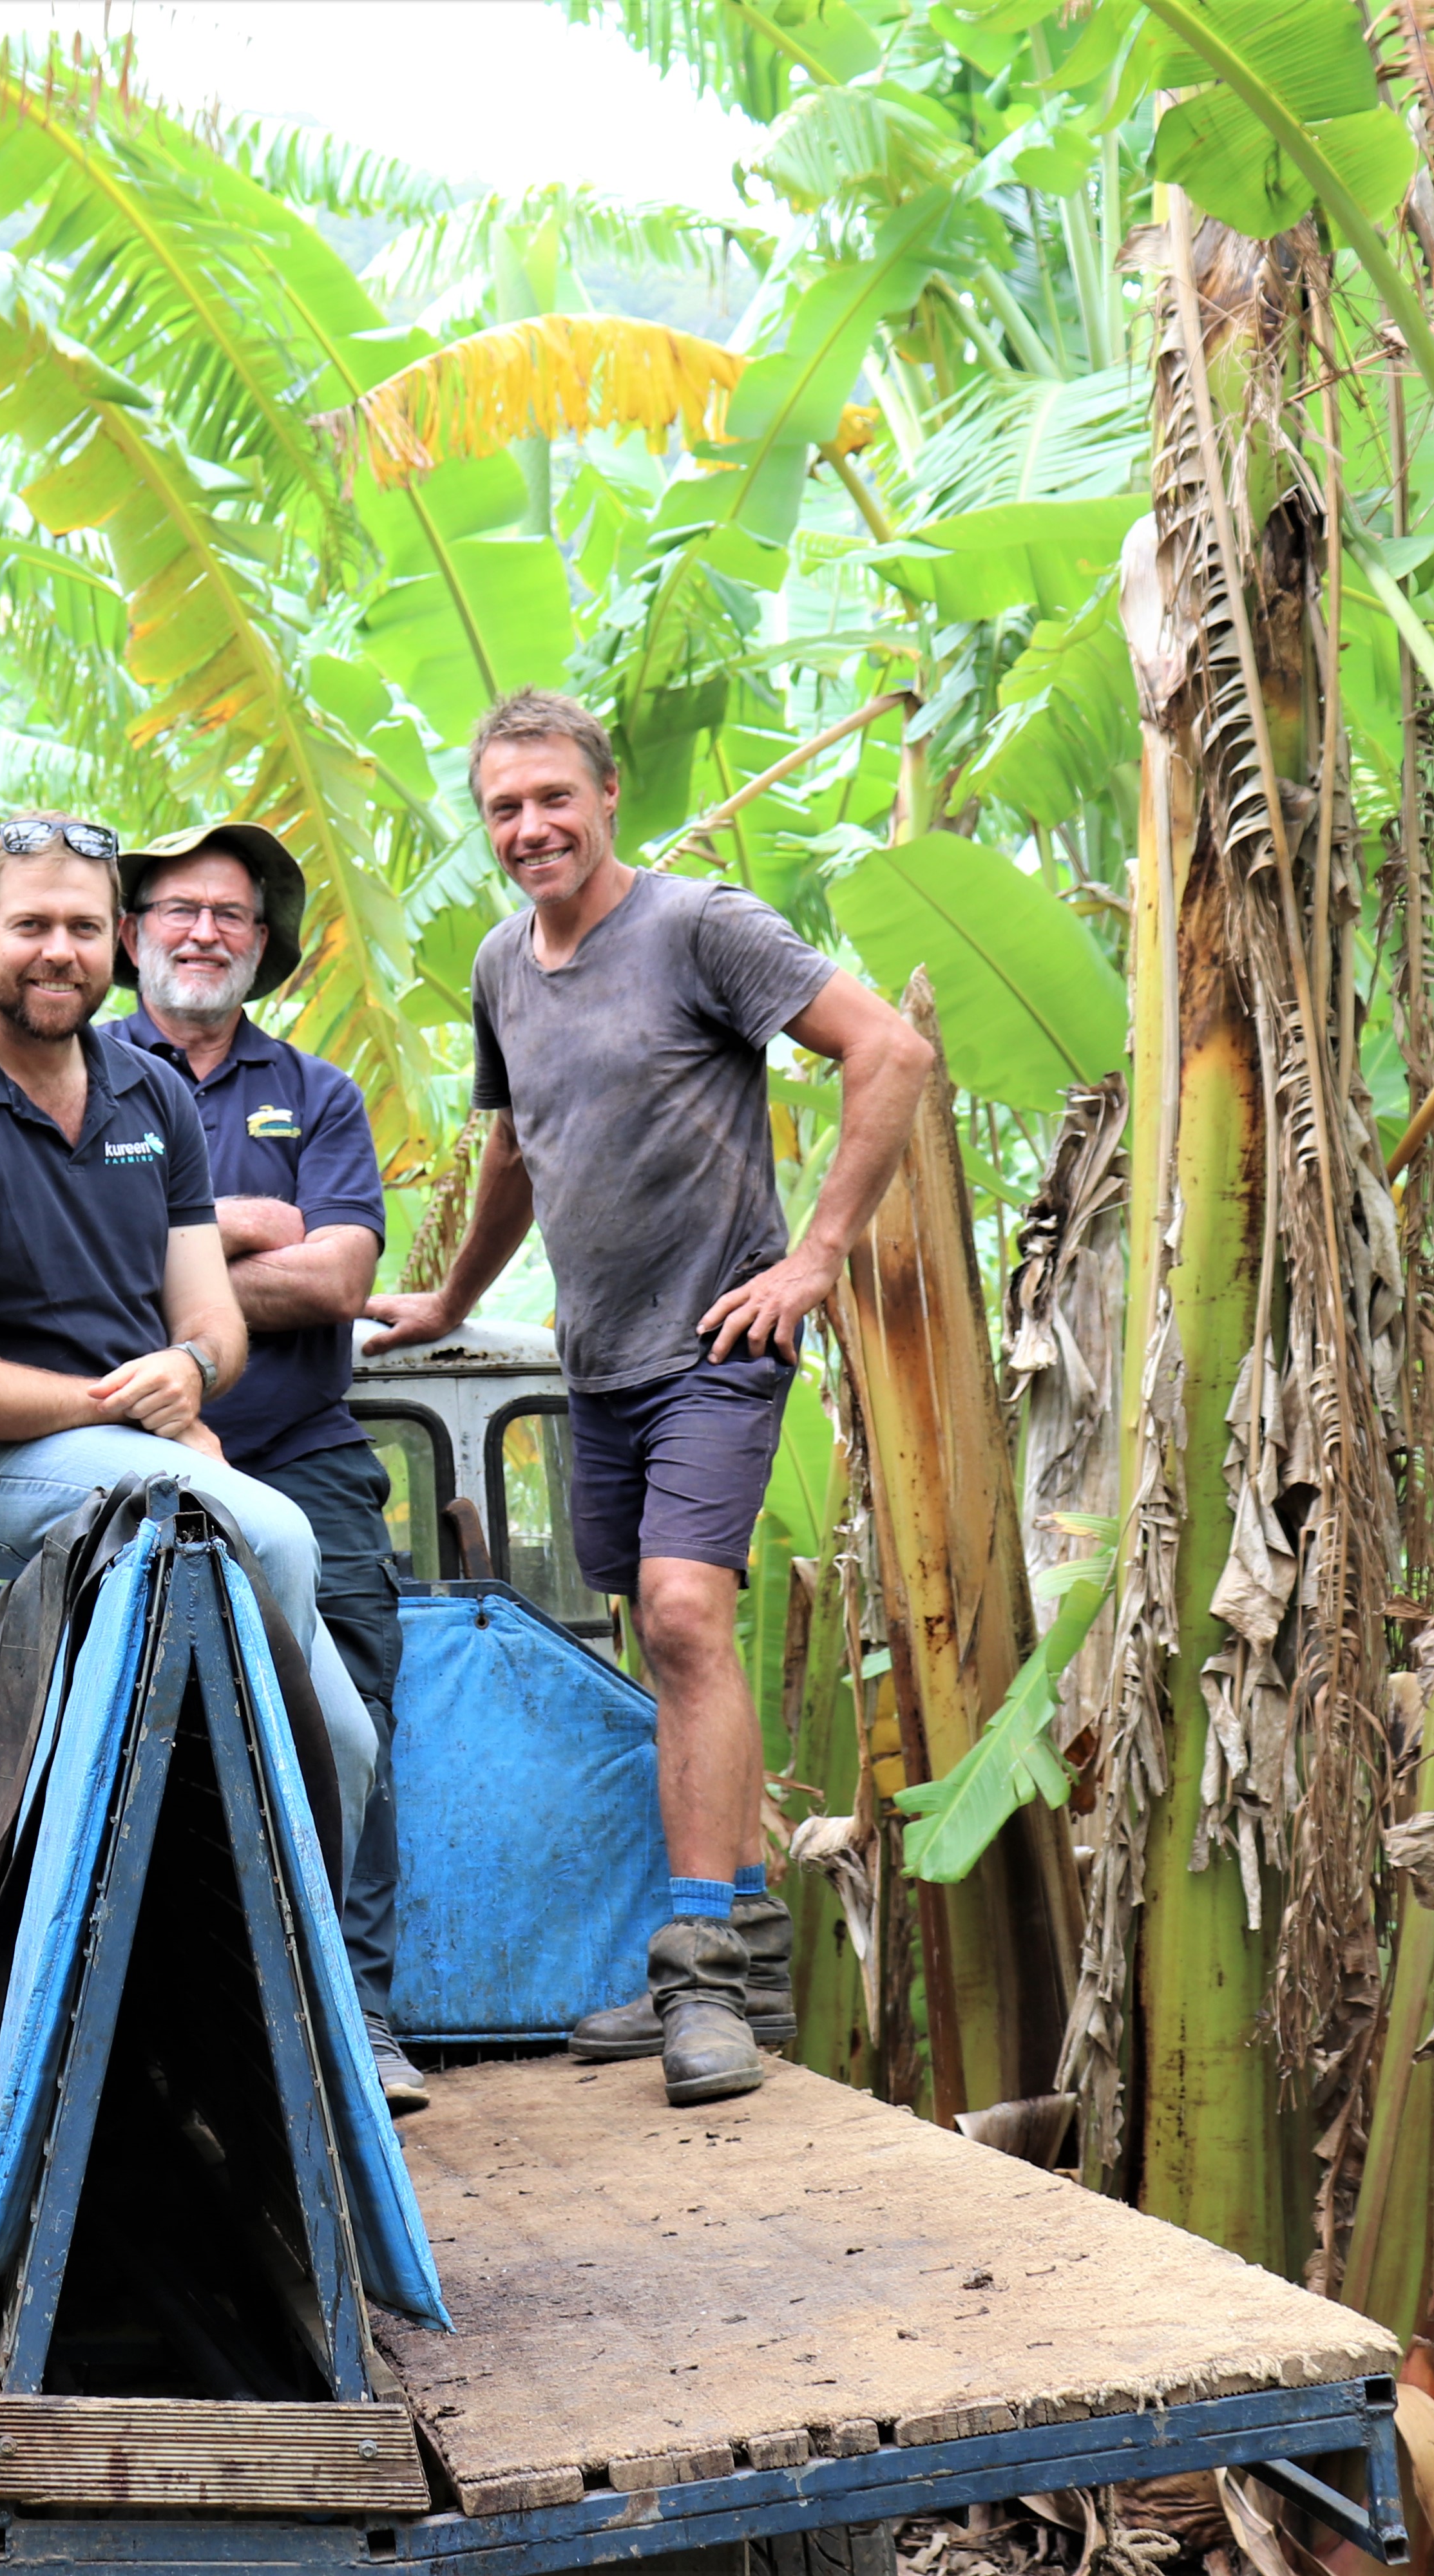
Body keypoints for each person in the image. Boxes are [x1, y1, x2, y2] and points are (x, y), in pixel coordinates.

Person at [368, 689, 933, 2107]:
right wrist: (445, 1300)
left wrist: (815, 1257)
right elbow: (517, 1150)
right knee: (655, 1626)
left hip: (719, 1341)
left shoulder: (700, 927)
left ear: (608, 795)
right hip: (599, 1359)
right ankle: (739, 1942)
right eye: (503, 807)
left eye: (553, 796)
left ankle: (698, 1977)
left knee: (686, 1610)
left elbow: (891, 1050)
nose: (530, 827)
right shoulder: (505, 963)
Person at [0, 813, 380, 1846]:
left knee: (346, 1742)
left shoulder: (152, 1094)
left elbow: (209, 1316)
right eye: (32, 925)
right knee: (267, 1527)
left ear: (117, 944)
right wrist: (133, 1407)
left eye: (83, 930)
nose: (59, 952)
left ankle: (303, 1991)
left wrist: (190, 1367)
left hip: (132, 1453)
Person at [112, 820, 420, 2113]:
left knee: (348, 1689)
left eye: (230, 913)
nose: (201, 931)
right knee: (127, 1711)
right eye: (176, 907)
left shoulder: (319, 1091)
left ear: (263, 943)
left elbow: (340, 1276)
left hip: (303, 1452)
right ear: (131, 934)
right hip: (116, 1449)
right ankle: (142, 2029)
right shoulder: (77, 1074)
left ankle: (357, 2008)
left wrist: (160, 1259)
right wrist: (243, 1229)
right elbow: (54, 1265)